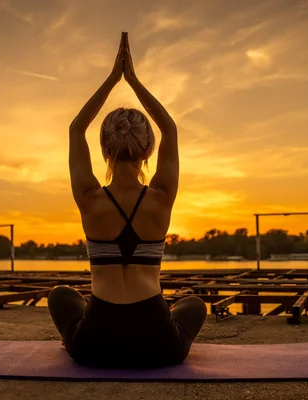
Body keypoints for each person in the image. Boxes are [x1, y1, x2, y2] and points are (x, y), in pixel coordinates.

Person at [48, 32, 207, 369]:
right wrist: (133, 80)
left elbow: (77, 129)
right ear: (148, 150)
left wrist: (112, 79)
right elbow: (171, 129)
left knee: (61, 295)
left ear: (104, 149)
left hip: (94, 345)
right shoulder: (161, 198)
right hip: (158, 345)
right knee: (193, 305)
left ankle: (71, 338)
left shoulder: (90, 199)